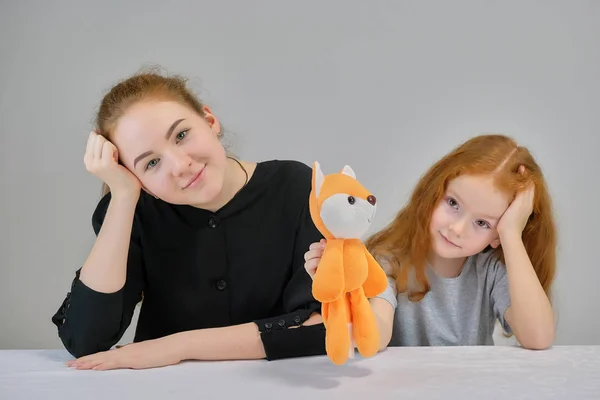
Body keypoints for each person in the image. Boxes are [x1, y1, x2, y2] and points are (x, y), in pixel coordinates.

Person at [51, 69, 327, 371]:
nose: (181, 166)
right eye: (151, 163)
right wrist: (123, 196)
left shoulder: (297, 188)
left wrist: (178, 346)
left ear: (210, 120)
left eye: (181, 135)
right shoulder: (133, 212)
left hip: (282, 384)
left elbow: (321, 324)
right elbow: (85, 340)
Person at [304, 134, 557, 350]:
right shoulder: (390, 258)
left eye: (483, 223)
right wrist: (341, 291)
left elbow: (538, 337)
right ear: (434, 192)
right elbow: (375, 334)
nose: (457, 228)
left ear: (496, 235)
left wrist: (511, 233)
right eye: (453, 203)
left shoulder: (491, 270)